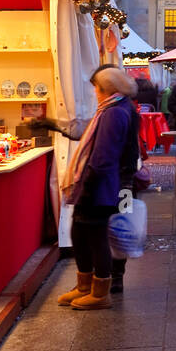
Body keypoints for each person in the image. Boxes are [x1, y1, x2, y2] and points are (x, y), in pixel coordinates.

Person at [57, 66, 140, 311]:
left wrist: (89, 184)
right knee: (80, 234)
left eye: (96, 87)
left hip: (101, 186)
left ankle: (100, 291)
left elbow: (104, 155)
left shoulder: (114, 112)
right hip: (103, 183)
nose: (94, 91)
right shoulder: (114, 107)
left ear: (106, 88)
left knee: (95, 237)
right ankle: (85, 286)